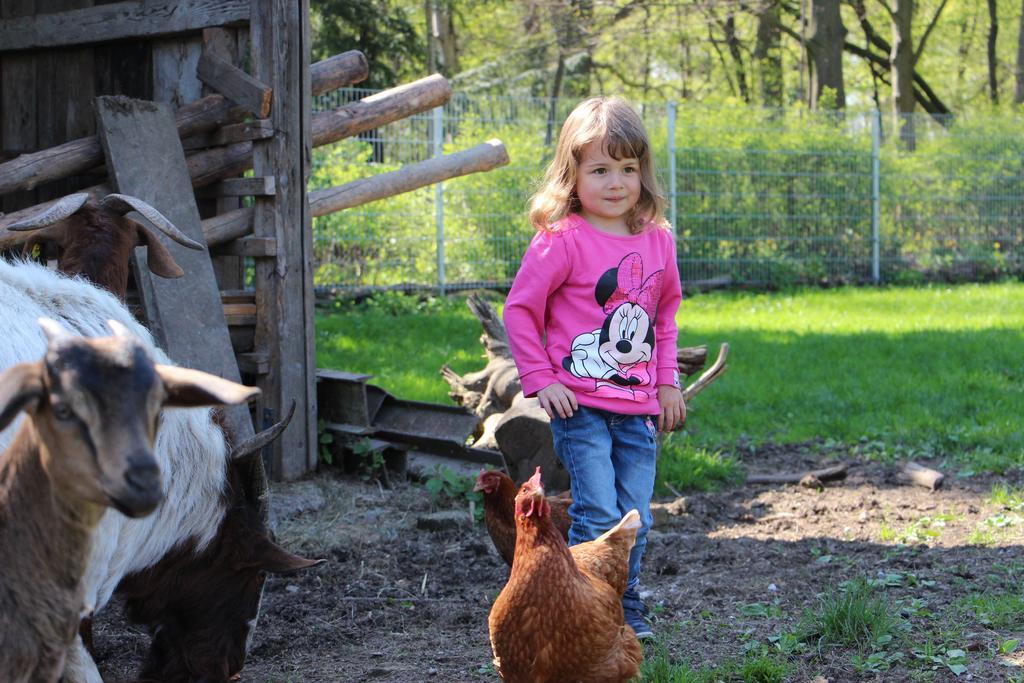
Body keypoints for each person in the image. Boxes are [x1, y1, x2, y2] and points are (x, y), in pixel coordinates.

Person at [503, 96, 685, 639]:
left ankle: (625, 606)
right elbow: (520, 310)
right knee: (599, 512)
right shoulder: (561, 240)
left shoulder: (657, 240)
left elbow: (665, 317)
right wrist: (542, 378)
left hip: (638, 411)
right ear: (572, 173)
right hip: (580, 407)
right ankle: (590, 612)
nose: (616, 183)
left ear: (642, 173)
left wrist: (668, 382)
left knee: (638, 518)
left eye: (628, 169)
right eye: (600, 169)